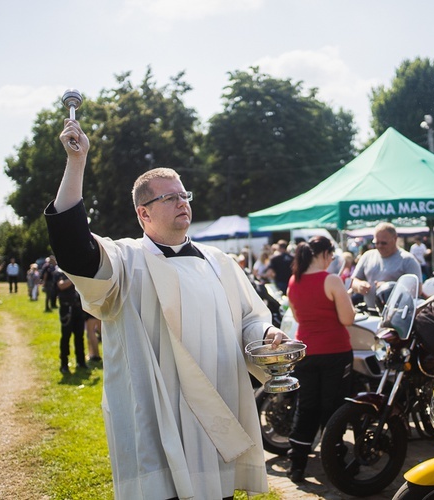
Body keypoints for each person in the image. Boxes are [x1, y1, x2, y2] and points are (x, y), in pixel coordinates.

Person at [44, 117, 286, 499]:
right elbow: (74, 249)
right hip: (157, 419)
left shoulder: (219, 261)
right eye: (170, 197)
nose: (182, 202)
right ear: (144, 213)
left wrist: (267, 335)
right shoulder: (126, 260)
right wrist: (77, 164)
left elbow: (250, 318)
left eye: (184, 195)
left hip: (215, 411)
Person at [285, 236, 354, 483]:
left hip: (306, 352)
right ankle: (336, 461)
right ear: (325, 253)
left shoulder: (294, 281)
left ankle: (297, 464)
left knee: (306, 407)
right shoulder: (331, 280)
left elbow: (297, 316)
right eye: (332, 255)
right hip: (334, 351)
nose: (332, 260)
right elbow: (347, 319)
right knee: (333, 408)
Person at [350, 222, 422, 310]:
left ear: (395, 239)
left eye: (384, 243)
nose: (379, 246)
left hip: (396, 316)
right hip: (370, 312)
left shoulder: (408, 260)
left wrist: (390, 288)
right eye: (376, 243)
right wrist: (359, 285)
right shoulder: (367, 256)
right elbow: (354, 281)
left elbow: (417, 290)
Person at [54, 265, 87, 374]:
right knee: (66, 337)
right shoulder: (59, 271)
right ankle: (64, 363)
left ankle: (81, 361)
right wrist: (74, 279)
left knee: (79, 336)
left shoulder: (76, 270)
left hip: (78, 308)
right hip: (66, 309)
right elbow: (61, 285)